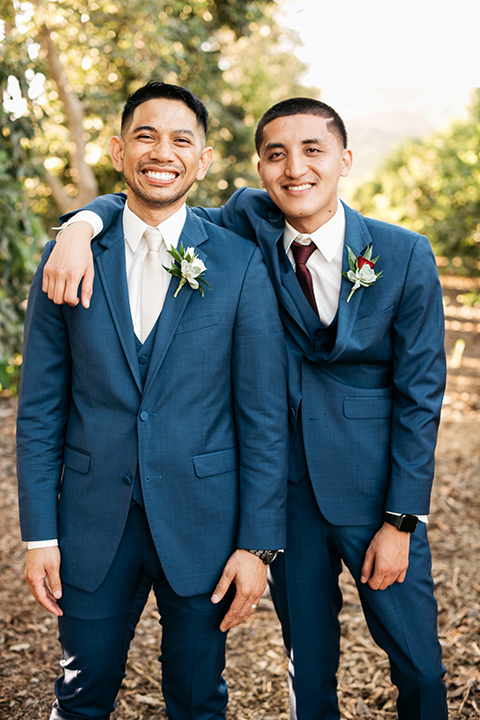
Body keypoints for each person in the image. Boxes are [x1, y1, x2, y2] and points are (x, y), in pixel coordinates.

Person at [41, 96, 448, 720]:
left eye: (313, 151)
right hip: (286, 492)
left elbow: (422, 395)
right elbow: (149, 201)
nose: (295, 169)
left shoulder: (403, 253)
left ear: (344, 159)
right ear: (257, 168)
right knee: (307, 665)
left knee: (418, 660)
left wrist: (401, 519)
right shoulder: (244, 227)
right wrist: (78, 225)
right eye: (276, 154)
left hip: (372, 491)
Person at [16, 81, 288, 720]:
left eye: (180, 140)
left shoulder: (241, 263)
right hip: (90, 521)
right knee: (81, 695)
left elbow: (263, 417)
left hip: (206, 527)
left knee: (197, 700)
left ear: (202, 161)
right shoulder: (69, 256)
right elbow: (40, 410)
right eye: (145, 135)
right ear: (117, 150)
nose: (161, 151)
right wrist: (38, 538)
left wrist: (258, 545)